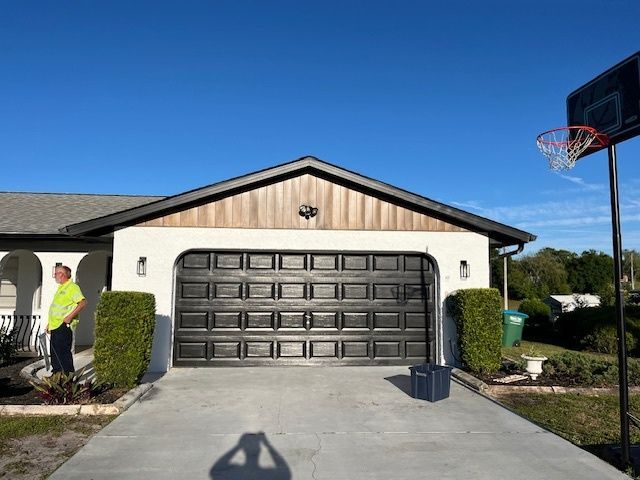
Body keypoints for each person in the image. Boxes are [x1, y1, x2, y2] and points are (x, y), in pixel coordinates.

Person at [47, 265, 87, 374]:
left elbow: (83, 303)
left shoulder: (72, 287)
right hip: (55, 325)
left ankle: (67, 377)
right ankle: (57, 375)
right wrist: (49, 324)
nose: (54, 275)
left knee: (63, 352)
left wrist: (69, 317)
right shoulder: (61, 288)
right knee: (55, 352)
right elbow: (56, 308)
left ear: (62, 274)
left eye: (56, 273)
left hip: (63, 325)